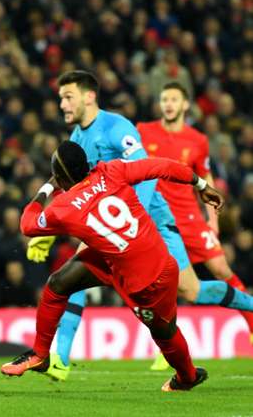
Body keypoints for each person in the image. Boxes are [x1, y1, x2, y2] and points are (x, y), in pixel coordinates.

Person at [32, 70, 253, 380]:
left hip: (152, 222)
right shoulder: (77, 138)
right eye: (60, 99)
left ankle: (250, 306)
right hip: (119, 227)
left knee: (192, 290)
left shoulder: (116, 127)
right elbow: (75, 191)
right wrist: (51, 232)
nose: (62, 105)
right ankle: (61, 359)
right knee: (74, 272)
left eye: (68, 97)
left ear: (89, 96)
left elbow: (146, 173)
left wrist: (132, 222)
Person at [1, 140, 231, 391]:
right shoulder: (113, 170)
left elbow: (27, 224)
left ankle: (187, 377)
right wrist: (201, 184)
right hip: (120, 260)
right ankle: (40, 355)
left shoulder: (63, 209)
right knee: (60, 282)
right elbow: (163, 166)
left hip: (149, 279)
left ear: (60, 178)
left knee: (163, 331)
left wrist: (46, 187)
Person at [138, 82, 253, 367]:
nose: (168, 104)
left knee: (221, 268)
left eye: (174, 99)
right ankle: (166, 347)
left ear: (185, 105)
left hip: (190, 217)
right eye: (164, 99)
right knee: (167, 281)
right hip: (159, 219)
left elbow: (206, 178)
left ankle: (251, 323)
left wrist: (212, 217)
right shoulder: (144, 131)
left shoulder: (197, 140)